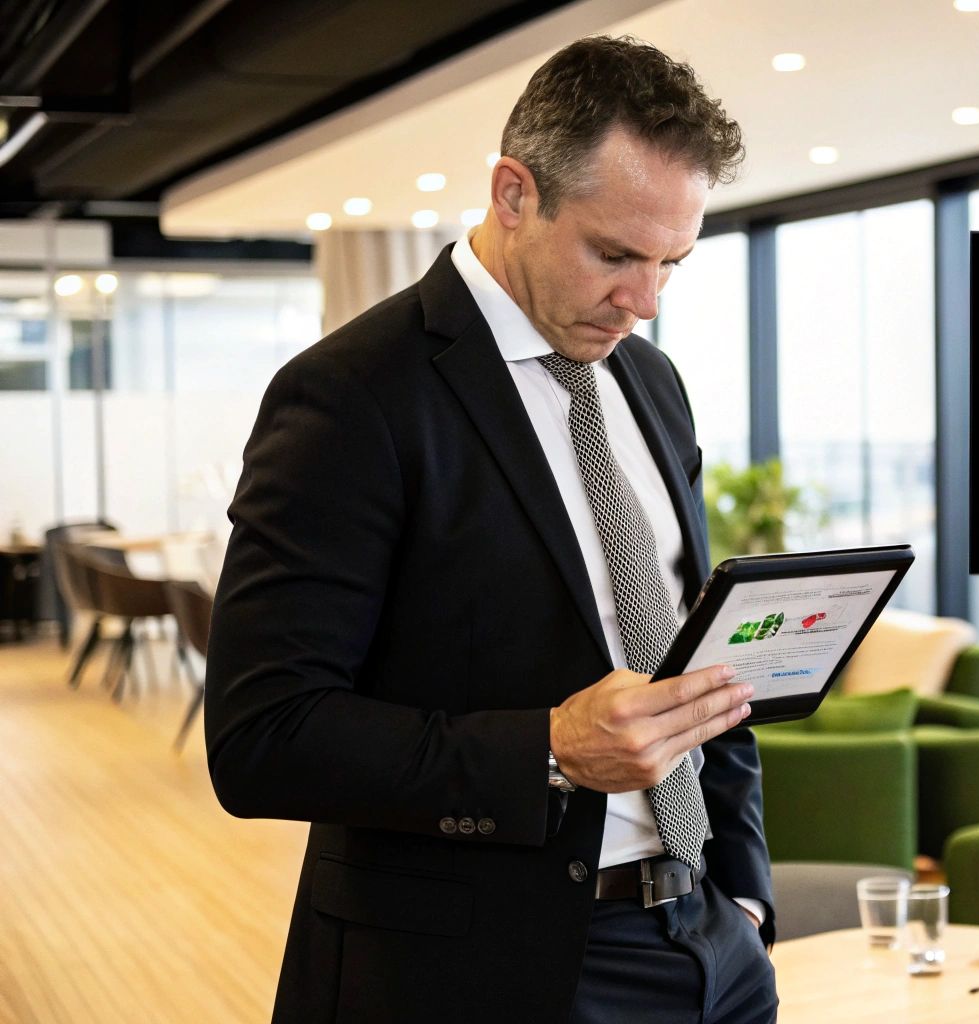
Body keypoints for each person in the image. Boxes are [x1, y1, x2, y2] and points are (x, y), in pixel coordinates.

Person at [205, 35, 778, 1023]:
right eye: (614, 254)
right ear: (514, 193)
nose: (643, 303)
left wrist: (744, 893)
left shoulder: (651, 383)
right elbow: (262, 738)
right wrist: (548, 751)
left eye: (671, 264)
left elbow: (685, 659)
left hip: (708, 948)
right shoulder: (351, 396)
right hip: (483, 974)